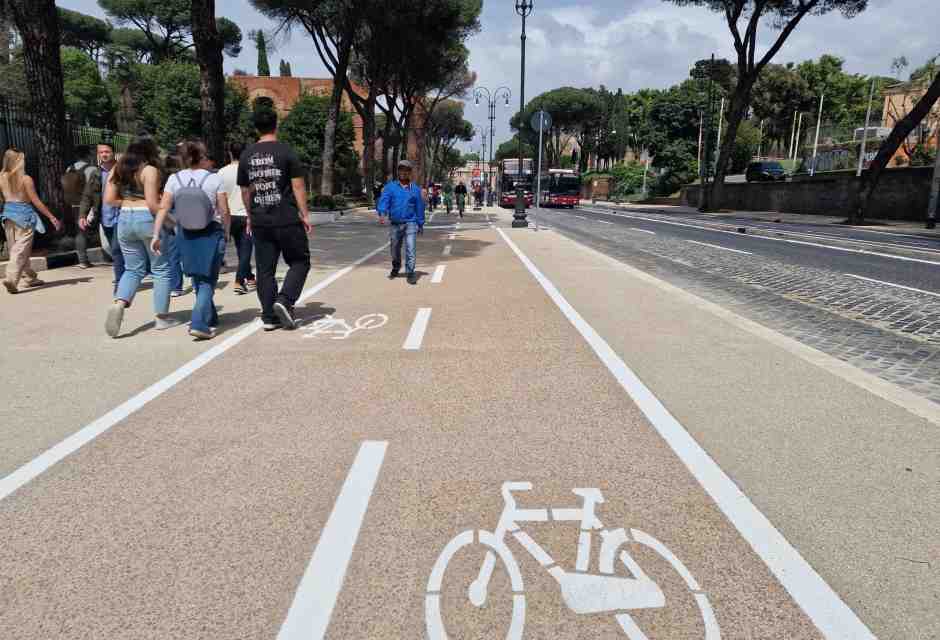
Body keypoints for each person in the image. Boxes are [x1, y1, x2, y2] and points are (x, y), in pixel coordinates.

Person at [237, 107, 312, 332]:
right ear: (275, 124)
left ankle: (269, 316)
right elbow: (298, 185)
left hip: (261, 220)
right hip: (287, 217)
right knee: (300, 261)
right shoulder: (286, 152)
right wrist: (304, 214)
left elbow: (245, 191)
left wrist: (250, 216)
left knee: (265, 269)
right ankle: (285, 300)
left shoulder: (246, 155)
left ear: (255, 127)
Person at [152, 140, 230, 341]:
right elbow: (224, 210)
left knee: (197, 277)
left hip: (184, 233)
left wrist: (156, 234)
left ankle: (210, 316)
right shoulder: (214, 179)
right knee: (207, 281)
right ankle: (198, 323)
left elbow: (164, 208)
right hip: (211, 232)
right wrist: (227, 232)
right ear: (202, 157)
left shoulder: (174, 178)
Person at [103, 137, 176, 338]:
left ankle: (120, 303)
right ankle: (161, 318)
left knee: (132, 268)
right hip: (147, 219)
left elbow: (109, 200)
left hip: (124, 219)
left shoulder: (117, 168)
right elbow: (153, 204)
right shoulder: (149, 170)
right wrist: (172, 221)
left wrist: (128, 202)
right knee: (160, 268)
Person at [0, 149, 63, 293]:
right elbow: (36, 201)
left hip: (8, 216)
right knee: (20, 250)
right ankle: (11, 279)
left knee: (17, 249)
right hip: (24, 217)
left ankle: (30, 277)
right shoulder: (25, 179)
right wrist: (51, 217)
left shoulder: (1, 177)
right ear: (18, 161)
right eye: (22, 159)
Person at [78, 142, 123, 289]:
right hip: (105, 217)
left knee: (116, 248)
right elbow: (87, 196)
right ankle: (128, 274)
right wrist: (82, 215)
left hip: (122, 215)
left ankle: (120, 280)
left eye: (107, 151)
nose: (104, 154)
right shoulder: (96, 173)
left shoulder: (122, 170)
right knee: (113, 248)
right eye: (101, 152)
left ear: (113, 153)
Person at [376, 159, 425, 285]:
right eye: (401, 169)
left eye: (406, 170)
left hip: (411, 223)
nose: (403, 172)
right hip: (395, 223)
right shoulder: (390, 187)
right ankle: (396, 266)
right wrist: (382, 213)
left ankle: (410, 272)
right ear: (398, 171)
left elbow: (419, 207)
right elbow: (384, 201)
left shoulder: (415, 189)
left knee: (411, 248)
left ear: (410, 173)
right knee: (394, 248)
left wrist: (420, 223)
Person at [219, 141, 255, 295]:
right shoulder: (249, 170)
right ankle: (239, 281)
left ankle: (250, 278)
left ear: (229, 153)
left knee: (242, 250)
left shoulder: (221, 172)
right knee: (246, 250)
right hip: (245, 214)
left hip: (227, 215)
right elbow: (251, 192)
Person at [64, 145, 99, 269]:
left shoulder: (69, 168)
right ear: (88, 155)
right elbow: (95, 189)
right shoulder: (92, 169)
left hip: (73, 204)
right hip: (88, 204)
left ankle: (82, 259)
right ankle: (85, 260)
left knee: (80, 231)